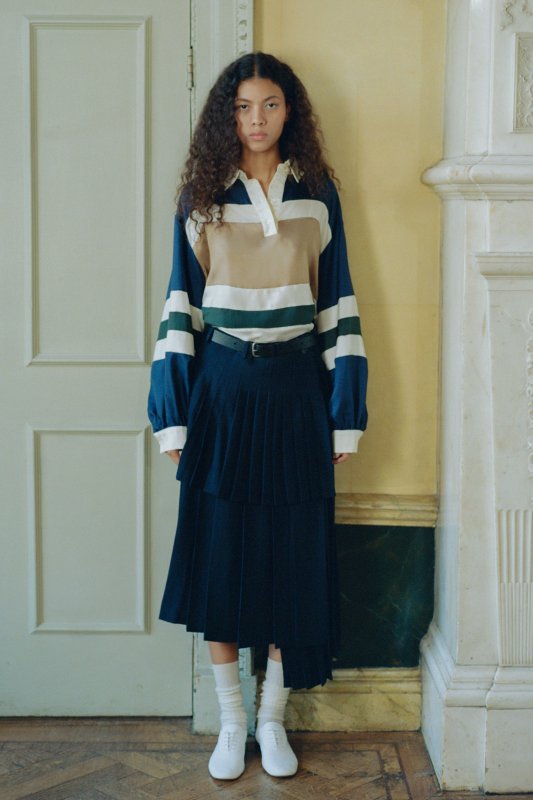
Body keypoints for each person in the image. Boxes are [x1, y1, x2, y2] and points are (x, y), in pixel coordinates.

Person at [147, 51, 368, 782]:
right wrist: (173, 419)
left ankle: (272, 720)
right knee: (220, 555)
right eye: (243, 107)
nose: (256, 119)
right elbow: (180, 307)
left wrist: (345, 412)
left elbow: (337, 301)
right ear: (227, 116)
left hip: (298, 391)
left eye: (270, 104)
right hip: (220, 391)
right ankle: (231, 721)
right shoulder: (201, 196)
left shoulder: (317, 194)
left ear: (289, 111)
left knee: (290, 556)